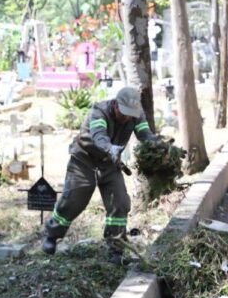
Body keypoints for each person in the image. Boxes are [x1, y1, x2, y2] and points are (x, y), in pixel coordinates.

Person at [42, 86, 159, 263]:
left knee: (120, 203)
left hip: (110, 165)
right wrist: (110, 148)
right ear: (116, 105)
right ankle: (52, 234)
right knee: (73, 200)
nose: (127, 117)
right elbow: (99, 137)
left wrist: (159, 146)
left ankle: (116, 248)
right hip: (84, 161)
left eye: (131, 114)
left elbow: (145, 134)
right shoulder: (99, 112)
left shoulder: (136, 114)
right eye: (124, 113)